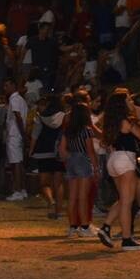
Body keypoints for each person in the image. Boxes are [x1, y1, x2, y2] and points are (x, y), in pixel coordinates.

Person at [98, 90, 140, 251]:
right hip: (125, 158)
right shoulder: (127, 120)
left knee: (123, 199)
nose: (131, 101)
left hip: (113, 159)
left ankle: (106, 227)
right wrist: (138, 115)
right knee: (128, 202)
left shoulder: (110, 121)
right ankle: (127, 239)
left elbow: (103, 143)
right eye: (128, 99)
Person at [59, 101, 98, 238]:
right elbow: (90, 151)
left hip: (71, 161)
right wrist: (96, 167)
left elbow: (62, 150)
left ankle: (73, 226)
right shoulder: (86, 130)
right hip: (83, 160)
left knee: (72, 197)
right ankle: (85, 226)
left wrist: (69, 159)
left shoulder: (67, 130)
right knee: (83, 197)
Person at [29, 95, 67, 221]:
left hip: (43, 151)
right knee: (59, 183)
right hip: (58, 151)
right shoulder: (64, 116)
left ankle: (51, 201)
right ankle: (59, 211)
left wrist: (31, 149)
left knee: (44, 183)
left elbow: (35, 135)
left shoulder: (41, 117)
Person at [3, 76, 30, 201]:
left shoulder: (14, 99)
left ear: (13, 86)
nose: (5, 88)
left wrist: (23, 133)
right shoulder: (21, 99)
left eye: (7, 86)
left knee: (15, 163)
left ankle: (18, 190)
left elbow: (18, 116)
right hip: (18, 134)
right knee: (19, 162)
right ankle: (23, 189)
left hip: (15, 134)